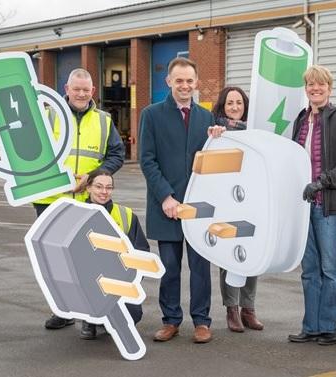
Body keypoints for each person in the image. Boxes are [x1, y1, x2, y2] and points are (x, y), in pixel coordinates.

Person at [139, 57, 224, 344]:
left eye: (189, 81)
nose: (184, 85)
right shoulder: (151, 115)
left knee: (201, 268)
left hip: (198, 209)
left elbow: (213, 160)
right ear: (169, 82)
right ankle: (171, 320)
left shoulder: (206, 118)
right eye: (179, 80)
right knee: (170, 268)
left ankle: (201, 321)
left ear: (196, 83)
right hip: (167, 208)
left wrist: (219, 138)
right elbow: (147, 160)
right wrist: (165, 196)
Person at [36, 68, 125, 330]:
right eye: (76, 89)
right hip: (51, 199)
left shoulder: (104, 120)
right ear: (66, 88)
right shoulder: (47, 115)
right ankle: (62, 311)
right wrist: (62, 180)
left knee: (86, 258)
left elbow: (116, 155)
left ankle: (89, 312)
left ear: (93, 91)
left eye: (86, 89)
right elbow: (33, 156)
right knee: (53, 260)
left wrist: (90, 176)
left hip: (88, 200)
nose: (81, 94)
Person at [288, 65, 336, 346]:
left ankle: (332, 326)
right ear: (306, 89)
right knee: (309, 270)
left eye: (321, 85)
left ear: (329, 88)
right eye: (310, 85)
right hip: (304, 207)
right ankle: (312, 326)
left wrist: (321, 182)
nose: (315, 89)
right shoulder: (301, 120)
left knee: (331, 268)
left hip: (329, 205)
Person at [211, 86, 264, 333]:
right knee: (230, 255)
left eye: (239, 103)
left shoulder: (254, 132)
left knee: (251, 252)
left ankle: (248, 308)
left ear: (245, 107)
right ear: (222, 106)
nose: (234, 107)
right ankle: (231, 309)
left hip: (251, 202)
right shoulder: (216, 132)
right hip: (227, 201)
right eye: (230, 103)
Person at [79, 169, 150, 340]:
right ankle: (89, 319)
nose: (104, 192)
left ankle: (106, 317)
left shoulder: (125, 215)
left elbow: (141, 250)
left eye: (109, 187)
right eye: (99, 187)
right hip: (88, 279)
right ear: (88, 188)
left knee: (133, 315)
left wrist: (130, 280)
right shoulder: (77, 214)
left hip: (118, 278)